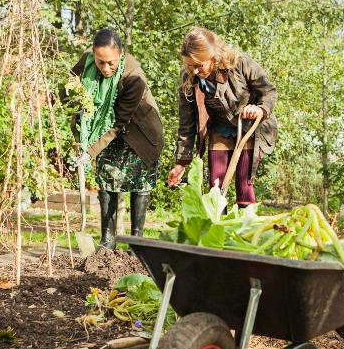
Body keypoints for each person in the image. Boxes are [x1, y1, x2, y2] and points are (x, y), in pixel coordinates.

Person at [68, 28, 164, 249]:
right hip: (106, 132)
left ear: (121, 53)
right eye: (100, 62)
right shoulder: (88, 61)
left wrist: (89, 151)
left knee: (140, 185)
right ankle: (107, 241)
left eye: (111, 63)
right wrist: (55, 98)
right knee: (106, 181)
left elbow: (116, 123)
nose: (105, 68)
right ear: (93, 54)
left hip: (140, 135)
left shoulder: (134, 77)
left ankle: (136, 243)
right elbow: (71, 84)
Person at [167, 27, 277, 207]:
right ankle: (218, 223)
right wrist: (181, 163)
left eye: (199, 65)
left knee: (244, 185)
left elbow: (269, 91)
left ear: (213, 56)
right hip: (219, 128)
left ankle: (246, 223)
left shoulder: (239, 63)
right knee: (216, 187)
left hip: (247, 127)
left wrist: (260, 109)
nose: (195, 71)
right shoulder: (188, 77)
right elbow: (187, 123)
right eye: (190, 65)